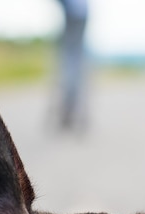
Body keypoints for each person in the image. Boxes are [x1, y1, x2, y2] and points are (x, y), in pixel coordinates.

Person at [56, 0, 89, 130]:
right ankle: (73, 110)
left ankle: (70, 109)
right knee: (76, 59)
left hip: (73, 14)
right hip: (81, 12)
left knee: (70, 61)